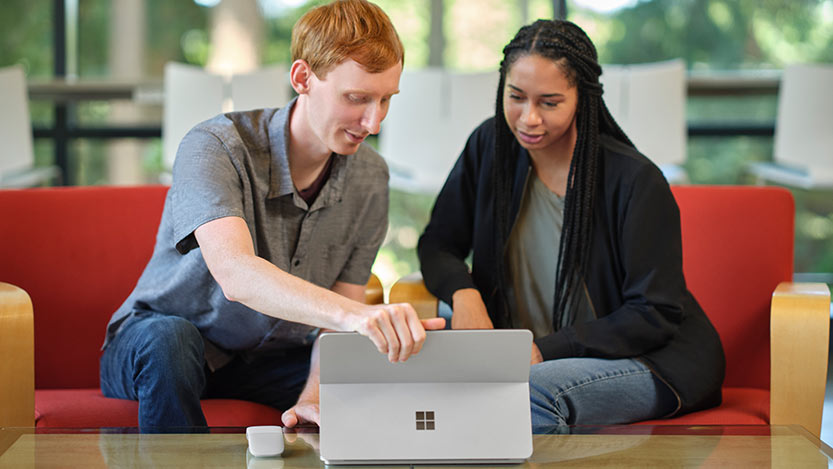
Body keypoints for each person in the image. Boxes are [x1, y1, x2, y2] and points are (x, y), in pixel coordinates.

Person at [100, 0, 444, 431]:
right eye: (357, 99)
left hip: (269, 359)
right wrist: (355, 316)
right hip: (158, 343)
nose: (374, 122)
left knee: (378, 388)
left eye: (386, 100)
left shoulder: (371, 178)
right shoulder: (215, 145)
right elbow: (236, 274)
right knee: (170, 342)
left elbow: (335, 321)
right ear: (302, 78)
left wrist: (313, 396)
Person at [417, 19, 724, 432]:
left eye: (549, 102)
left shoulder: (634, 180)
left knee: (529, 395)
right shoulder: (490, 147)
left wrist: (544, 351)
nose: (528, 118)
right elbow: (437, 242)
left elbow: (654, 314)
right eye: (516, 97)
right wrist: (465, 293)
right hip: (526, 354)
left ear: (583, 97)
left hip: (649, 361)